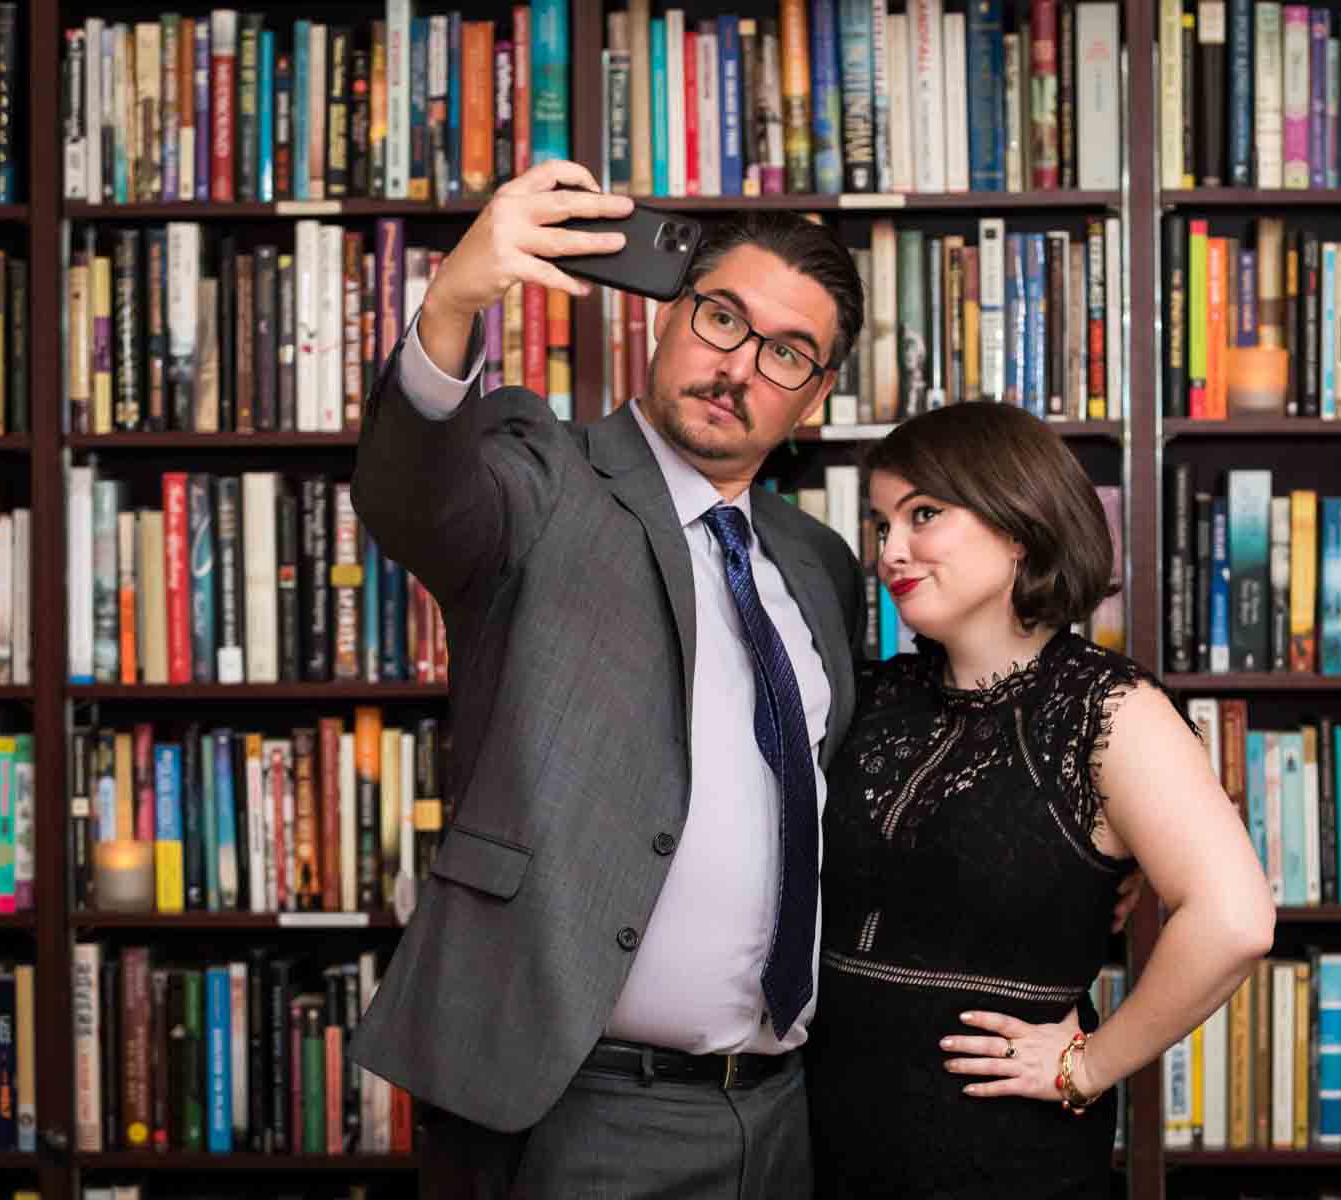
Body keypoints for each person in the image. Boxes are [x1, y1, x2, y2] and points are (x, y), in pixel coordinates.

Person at [346, 159, 868, 1198]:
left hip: (780, 1112)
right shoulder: (541, 474)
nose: (740, 366)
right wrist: (454, 299)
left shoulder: (820, 564)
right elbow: (413, 497)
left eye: (788, 353)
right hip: (576, 1107)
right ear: (665, 321)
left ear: (813, 397)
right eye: (722, 318)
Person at [805, 402, 1276, 1198]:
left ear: (1018, 523)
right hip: (821, 1137)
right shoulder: (876, 692)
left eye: (923, 515)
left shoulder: (1108, 707)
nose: (890, 551)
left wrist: (1088, 1065)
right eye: (881, 523)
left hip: (999, 1153)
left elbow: (1234, 920)